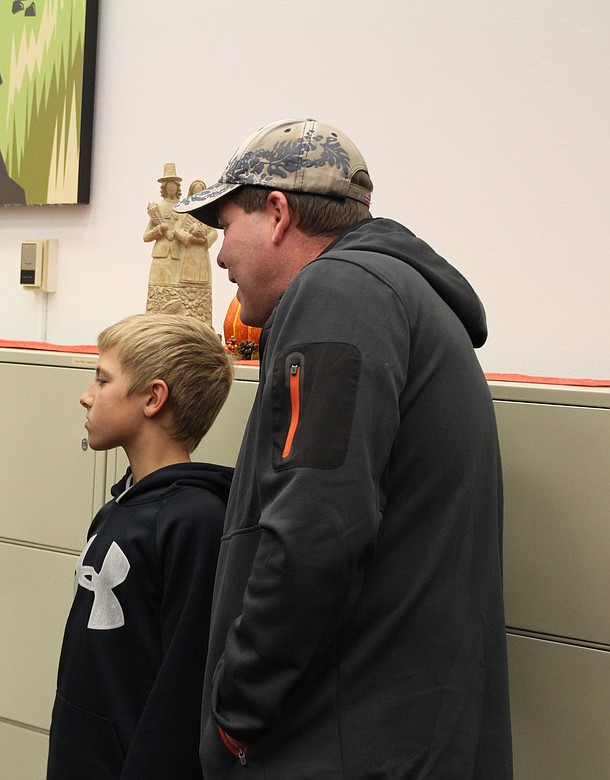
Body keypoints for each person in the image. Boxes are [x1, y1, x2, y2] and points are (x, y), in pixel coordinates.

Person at [174, 119, 513, 778]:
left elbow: (315, 531)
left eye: (224, 226)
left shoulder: (340, 296)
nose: (218, 256)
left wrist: (233, 716)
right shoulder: (393, 296)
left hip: (344, 743)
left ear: (275, 214)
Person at [47, 313, 235, 780]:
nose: (86, 396)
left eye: (102, 379)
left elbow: (184, 684)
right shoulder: (118, 510)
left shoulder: (196, 522)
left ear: (153, 398)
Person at [170, 179, 219, 325]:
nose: (198, 194)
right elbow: (177, 230)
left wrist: (205, 240)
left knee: (202, 282)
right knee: (187, 282)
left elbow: (214, 233)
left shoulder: (206, 213)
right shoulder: (187, 212)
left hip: (201, 254)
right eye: (195, 192)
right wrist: (189, 237)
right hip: (189, 252)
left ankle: (202, 319)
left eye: (200, 192)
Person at [143, 163, 185, 312]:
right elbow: (146, 237)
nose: (171, 188)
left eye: (174, 184)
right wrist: (159, 230)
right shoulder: (158, 208)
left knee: (177, 294)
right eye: (168, 185)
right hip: (160, 256)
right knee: (158, 295)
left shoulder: (183, 208)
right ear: (164, 187)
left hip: (177, 255)